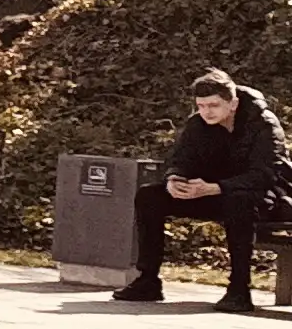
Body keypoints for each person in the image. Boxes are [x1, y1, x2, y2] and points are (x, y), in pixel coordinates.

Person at [119, 70, 285, 311]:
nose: (207, 112)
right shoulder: (198, 123)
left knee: (239, 201)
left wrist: (217, 187)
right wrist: (174, 179)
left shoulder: (264, 124)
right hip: (209, 192)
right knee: (149, 196)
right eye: (201, 106)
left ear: (233, 103)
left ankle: (239, 289)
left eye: (214, 105)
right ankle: (148, 281)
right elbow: (181, 159)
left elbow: (265, 175)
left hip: (263, 197)